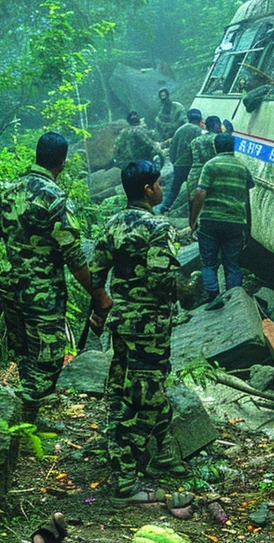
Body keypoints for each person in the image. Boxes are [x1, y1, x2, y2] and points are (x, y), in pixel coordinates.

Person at [0, 132, 111, 428]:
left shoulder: (7, 192)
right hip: (43, 294)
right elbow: (74, 256)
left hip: (11, 288)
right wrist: (97, 293)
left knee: (25, 353)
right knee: (50, 358)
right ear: (62, 162)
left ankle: (28, 420)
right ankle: (22, 421)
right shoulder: (54, 198)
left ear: (38, 155)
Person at [89, 160, 198, 505]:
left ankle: (162, 455)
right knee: (148, 399)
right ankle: (126, 476)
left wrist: (101, 308)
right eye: (159, 183)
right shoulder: (158, 227)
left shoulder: (112, 224)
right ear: (149, 189)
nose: (163, 188)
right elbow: (160, 279)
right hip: (149, 328)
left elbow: (95, 274)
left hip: (121, 324)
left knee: (128, 391)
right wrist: (187, 289)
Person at [189, 133, 254, 304]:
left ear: (215, 147)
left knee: (208, 263)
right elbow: (246, 199)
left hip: (211, 221)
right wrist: (248, 228)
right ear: (233, 147)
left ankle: (213, 295)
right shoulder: (242, 168)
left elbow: (200, 192)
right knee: (232, 264)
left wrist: (193, 219)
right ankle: (233, 299)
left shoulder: (210, 165)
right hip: (235, 223)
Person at [158, 109, 203, 213]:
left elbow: (172, 148)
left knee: (174, 189)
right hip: (191, 166)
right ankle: (193, 212)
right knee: (194, 189)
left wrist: (174, 162)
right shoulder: (198, 131)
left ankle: (164, 208)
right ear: (200, 119)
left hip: (178, 165)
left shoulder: (180, 130)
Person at [188, 115, 222, 190]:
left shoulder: (194, 141)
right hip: (211, 176)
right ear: (217, 126)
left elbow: (190, 158)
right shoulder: (218, 139)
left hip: (194, 176)